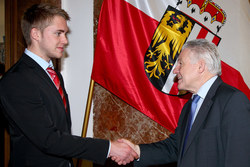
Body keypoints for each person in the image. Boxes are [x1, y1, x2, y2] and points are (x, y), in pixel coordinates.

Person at [0, 3, 137, 167]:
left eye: (65, 33)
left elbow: (60, 131)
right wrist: (109, 148)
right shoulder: (17, 80)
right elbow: (49, 140)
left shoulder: (53, 74)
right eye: (58, 33)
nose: (65, 40)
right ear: (35, 34)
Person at [114, 39, 250, 167]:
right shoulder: (190, 106)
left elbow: (239, 159)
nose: (175, 70)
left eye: (180, 63)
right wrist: (136, 150)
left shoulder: (232, 100)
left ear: (200, 66)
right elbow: (175, 147)